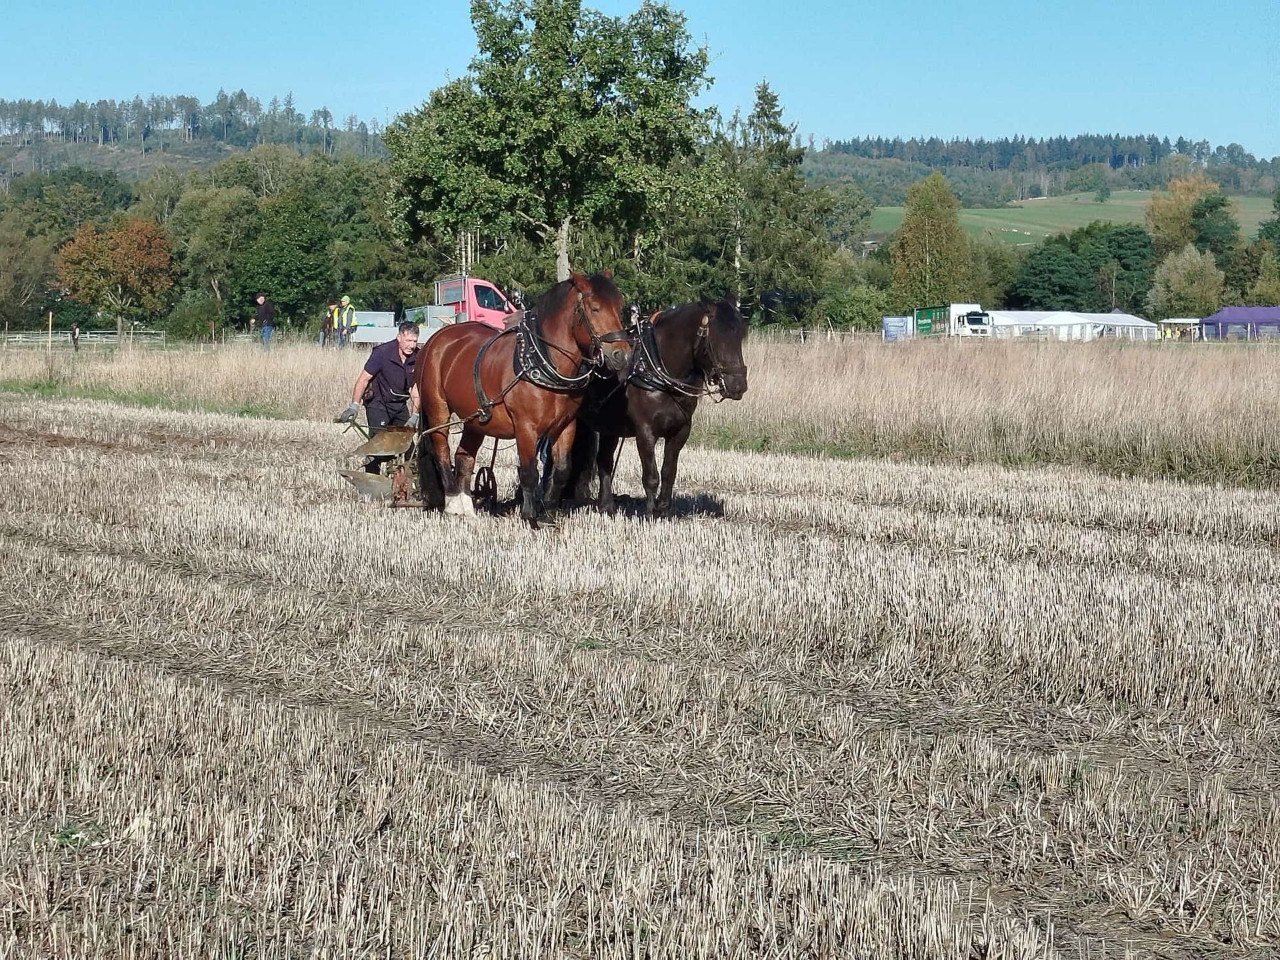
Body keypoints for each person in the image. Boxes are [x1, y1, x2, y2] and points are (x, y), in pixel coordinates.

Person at [335, 321, 421, 474]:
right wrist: (354, 405)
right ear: (399, 337)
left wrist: (415, 415)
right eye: (408, 340)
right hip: (378, 404)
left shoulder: (418, 357)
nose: (412, 345)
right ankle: (372, 476)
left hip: (399, 404)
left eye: (415, 341)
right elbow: (363, 379)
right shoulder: (382, 353)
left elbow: (416, 389)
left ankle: (407, 478)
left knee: (407, 443)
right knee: (378, 445)